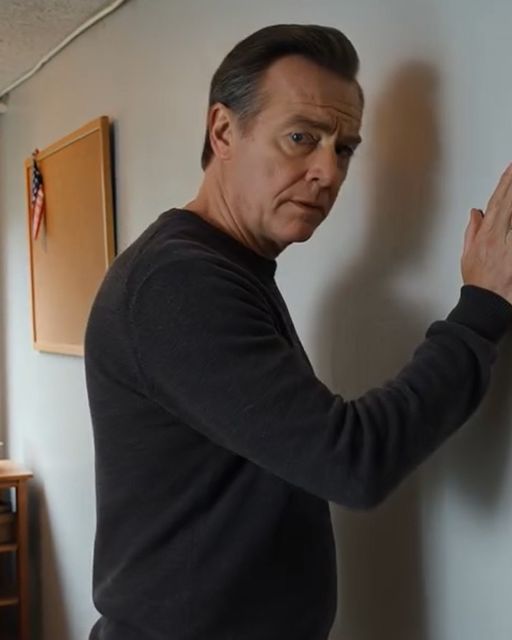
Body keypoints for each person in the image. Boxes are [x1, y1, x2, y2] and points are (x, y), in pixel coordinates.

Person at [85, 23, 512, 640]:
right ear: (223, 131)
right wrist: (482, 309)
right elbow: (352, 461)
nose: (327, 172)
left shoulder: (228, 267)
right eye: (301, 138)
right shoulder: (178, 282)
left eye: (344, 149)